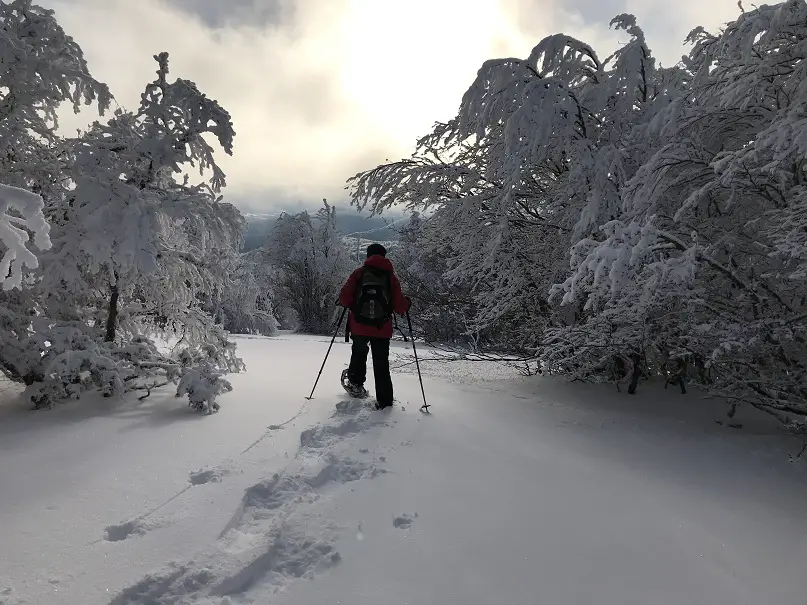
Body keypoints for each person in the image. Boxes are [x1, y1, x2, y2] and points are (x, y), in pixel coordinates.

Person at [338, 243, 410, 409]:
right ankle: (384, 401)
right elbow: (400, 306)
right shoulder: (390, 277)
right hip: (382, 328)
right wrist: (407, 304)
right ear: (384, 256)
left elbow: (344, 298)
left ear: (368, 256)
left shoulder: (358, 274)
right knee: (381, 363)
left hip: (359, 325)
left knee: (359, 354)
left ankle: (355, 385)